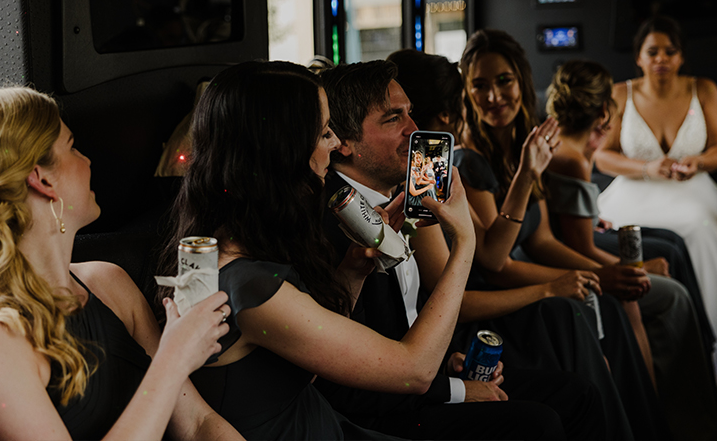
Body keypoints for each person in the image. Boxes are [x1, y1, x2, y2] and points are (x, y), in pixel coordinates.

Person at [158, 61, 493, 440]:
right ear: (283, 151)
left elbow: (311, 360)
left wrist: (353, 270)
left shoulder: (245, 242)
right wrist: (464, 241)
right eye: (324, 133)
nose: (335, 144)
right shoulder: (249, 286)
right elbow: (415, 371)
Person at [316, 58, 623, 441]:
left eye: (410, 113)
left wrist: (450, 363)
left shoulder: (400, 198)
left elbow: (407, 321)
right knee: (541, 421)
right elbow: (349, 374)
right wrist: (456, 390)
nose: (414, 129)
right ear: (342, 141)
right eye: (394, 119)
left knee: (579, 394)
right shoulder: (336, 221)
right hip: (384, 412)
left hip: (426, 373)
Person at [0, 86, 240, 441]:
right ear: (42, 179)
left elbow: (198, 424)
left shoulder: (109, 282)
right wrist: (173, 359)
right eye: (72, 147)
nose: (87, 161)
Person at [455, 31, 671, 440]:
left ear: (521, 81)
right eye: (479, 85)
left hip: (525, 276)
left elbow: (542, 241)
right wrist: (581, 279)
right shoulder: (469, 161)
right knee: (595, 305)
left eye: (503, 81)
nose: (493, 96)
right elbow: (497, 266)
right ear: (467, 92)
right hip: (500, 301)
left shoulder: (526, 142)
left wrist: (601, 275)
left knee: (614, 299)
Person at [545, 59, 717, 439]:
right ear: (603, 112)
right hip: (577, 262)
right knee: (668, 292)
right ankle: (678, 417)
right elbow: (578, 246)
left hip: (587, 239)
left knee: (670, 244)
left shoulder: (567, 148)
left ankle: (692, 385)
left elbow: (575, 224)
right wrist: (637, 269)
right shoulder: (571, 159)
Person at [594, 16, 717, 385]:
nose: (661, 58)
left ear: (681, 57)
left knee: (706, 233)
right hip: (633, 188)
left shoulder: (703, 89)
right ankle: (632, 355)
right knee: (610, 234)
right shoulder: (620, 93)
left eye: (670, 51)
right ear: (639, 58)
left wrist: (698, 162)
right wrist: (646, 167)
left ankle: (713, 362)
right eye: (653, 51)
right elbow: (602, 156)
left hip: (693, 188)